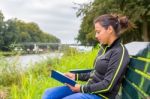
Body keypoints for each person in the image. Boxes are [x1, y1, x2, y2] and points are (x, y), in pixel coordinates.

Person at [42, 14, 131, 99]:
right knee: (49, 94)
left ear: (110, 29)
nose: (96, 36)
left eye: (98, 32)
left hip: (101, 96)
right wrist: (75, 76)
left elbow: (108, 85)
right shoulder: (104, 48)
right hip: (89, 90)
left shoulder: (119, 52)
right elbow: (95, 73)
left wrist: (81, 88)